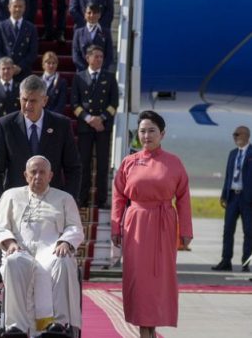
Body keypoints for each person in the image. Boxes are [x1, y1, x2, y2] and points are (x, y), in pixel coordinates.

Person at [111, 111, 193, 338]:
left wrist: (185, 231)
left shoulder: (174, 163)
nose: (146, 135)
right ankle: (143, 330)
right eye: (143, 131)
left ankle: (152, 328)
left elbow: (184, 197)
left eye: (152, 131)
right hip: (135, 224)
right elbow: (118, 196)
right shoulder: (129, 162)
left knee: (159, 279)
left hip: (164, 225)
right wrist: (116, 226)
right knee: (138, 279)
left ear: (162, 134)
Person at [0, 155, 84, 336]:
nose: (37, 177)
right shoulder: (10, 196)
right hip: (20, 249)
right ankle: (16, 326)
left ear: (50, 176)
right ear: (25, 175)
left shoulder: (65, 198)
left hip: (52, 250)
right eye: (33, 172)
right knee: (13, 262)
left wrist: (65, 241)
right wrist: (9, 243)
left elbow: (75, 227)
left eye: (42, 173)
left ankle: (58, 324)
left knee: (63, 262)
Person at [0, 74, 81, 206]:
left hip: (52, 204)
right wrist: (1, 203)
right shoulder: (6, 125)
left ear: (44, 100)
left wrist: (66, 201)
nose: (27, 105)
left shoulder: (61, 125)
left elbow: (73, 168)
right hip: (17, 204)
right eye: (24, 99)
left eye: (33, 101)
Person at [71, 45, 118, 208]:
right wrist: (89, 118)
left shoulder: (110, 77)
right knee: (83, 163)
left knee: (102, 164)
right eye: (95, 56)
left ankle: (101, 200)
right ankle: (82, 198)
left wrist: (101, 119)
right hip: (85, 127)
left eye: (101, 57)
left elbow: (114, 104)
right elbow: (75, 104)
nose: (98, 59)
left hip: (102, 128)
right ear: (87, 58)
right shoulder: (79, 77)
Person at [212, 125, 252, 272]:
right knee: (228, 230)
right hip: (232, 197)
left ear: (246, 136)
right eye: (233, 135)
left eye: (237, 134)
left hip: (247, 199)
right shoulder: (232, 154)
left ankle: (246, 262)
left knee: (249, 232)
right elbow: (228, 176)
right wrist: (224, 195)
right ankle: (226, 260)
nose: (234, 137)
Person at [0, 0, 38, 82]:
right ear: (9, 8)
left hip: (23, 72)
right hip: (4, 73)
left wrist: (20, 66)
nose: (18, 9)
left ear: (24, 8)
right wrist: (8, 67)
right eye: (15, 6)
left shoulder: (31, 28)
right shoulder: (0, 27)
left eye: (20, 6)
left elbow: (33, 53)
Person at [72, 3, 114, 72]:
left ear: (99, 15)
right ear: (85, 15)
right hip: (83, 73)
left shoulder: (106, 32)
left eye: (95, 13)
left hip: (101, 73)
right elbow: (76, 55)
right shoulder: (78, 33)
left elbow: (109, 55)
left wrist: (99, 69)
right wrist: (88, 71)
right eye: (89, 13)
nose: (92, 15)